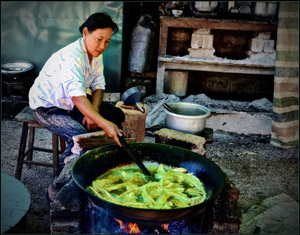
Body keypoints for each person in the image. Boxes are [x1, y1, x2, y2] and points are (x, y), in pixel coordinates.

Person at [28, 12, 125, 168]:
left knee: (114, 116)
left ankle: (95, 167)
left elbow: (98, 85)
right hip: (46, 107)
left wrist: (94, 111)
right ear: (85, 32)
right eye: (99, 40)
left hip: (69, 104)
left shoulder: (96, 53)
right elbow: (78, 97)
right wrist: (104, 123)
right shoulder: (72, 57)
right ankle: (58, 186)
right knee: (82, 139)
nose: (102, 47)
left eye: (107, 42)